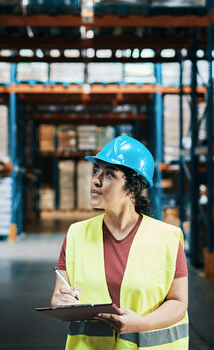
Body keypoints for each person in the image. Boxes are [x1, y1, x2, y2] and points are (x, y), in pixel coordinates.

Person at [50, 136, 189, 349]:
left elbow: (178, 303)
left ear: (133, 187)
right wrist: (63, 303)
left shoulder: (167, 238)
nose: (96, 180)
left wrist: (142, 324)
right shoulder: (76, 234)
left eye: (109, 174)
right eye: (96, 171)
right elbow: (58, 298)